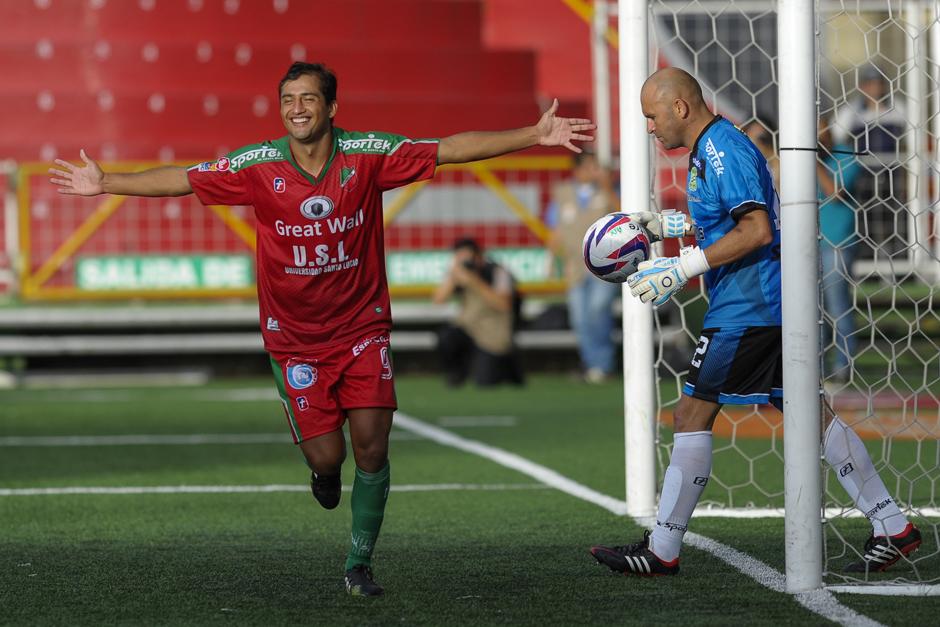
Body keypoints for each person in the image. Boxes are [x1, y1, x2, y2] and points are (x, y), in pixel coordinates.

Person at [49, 61, 595, 596]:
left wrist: (534, 134)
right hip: (293, 339)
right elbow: (185, 180)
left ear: (331, 107)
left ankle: (360, 562)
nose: (297, 109)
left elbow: (448, 149)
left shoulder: (368, 155)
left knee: (373, 451)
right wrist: (106, 184)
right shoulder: (258, 164)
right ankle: (324, 473)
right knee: (328, 458)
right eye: (288, 100)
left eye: (308, 98)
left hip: (362, 328)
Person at [589, 67, 920, 577]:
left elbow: (757, 230)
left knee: (691, 415)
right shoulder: (710, 149)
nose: (650, 128)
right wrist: (665, 227)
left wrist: (683, 266)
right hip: (764, 301)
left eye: (651, 117)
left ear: (680, 107)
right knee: (812, 413)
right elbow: (728, 217)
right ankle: (894, 525)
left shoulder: (722, 149)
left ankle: (662, 550)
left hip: (749, 306)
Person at [546, 151, 620, 383]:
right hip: (575, 266)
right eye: (591, 166)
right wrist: (552, 261)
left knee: (598, 309)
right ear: (578, 170)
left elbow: (626, 215)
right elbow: (555, 229)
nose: (596, 171)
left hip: (605, 264)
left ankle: (603, 364)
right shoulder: (563, 194)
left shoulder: (609, 192)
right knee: (579, 317)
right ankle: (591, 365)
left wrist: (607, 187)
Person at [432, 237, 524, 387]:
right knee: (446, 337)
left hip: (492, 335)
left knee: (486, 382)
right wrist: (453, 275)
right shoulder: (460, 274)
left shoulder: (497, 272)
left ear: (478, 256)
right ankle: (456, 374)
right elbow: (438, 300)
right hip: (468, 329)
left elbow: (503, 304)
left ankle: (510, 369)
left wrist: (473, 281)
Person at [817, 122, 862, 384]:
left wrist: (812, 160)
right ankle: (817, 369)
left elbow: (834, 193)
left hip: (838, 244)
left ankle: (843, 368)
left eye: (822, 131)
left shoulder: (846, 155)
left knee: (838, 307)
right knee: (812, 311)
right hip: (808, 246)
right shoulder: (800, 160)